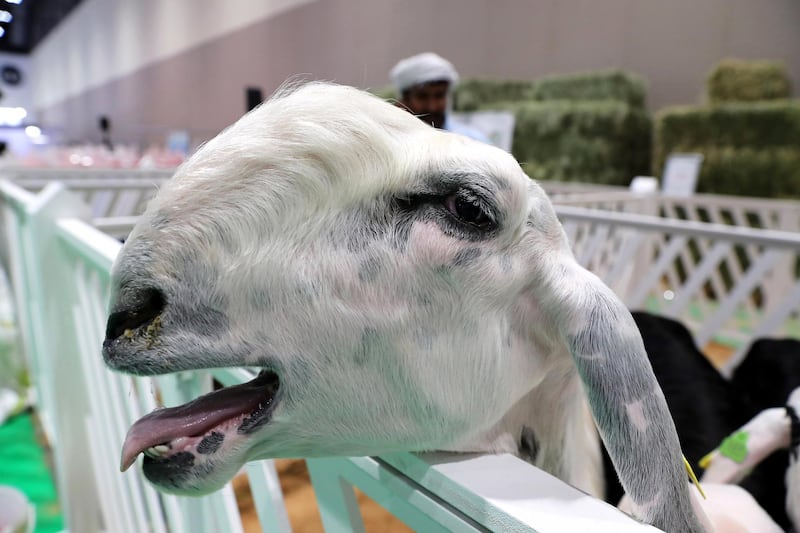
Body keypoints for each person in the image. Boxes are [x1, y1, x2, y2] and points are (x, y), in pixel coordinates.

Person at [389, 52, 489, 143]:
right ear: (404, 101)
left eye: (439, 96)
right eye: (422, 97)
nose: (432, 107)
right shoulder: (395, 143)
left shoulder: (474, 141)